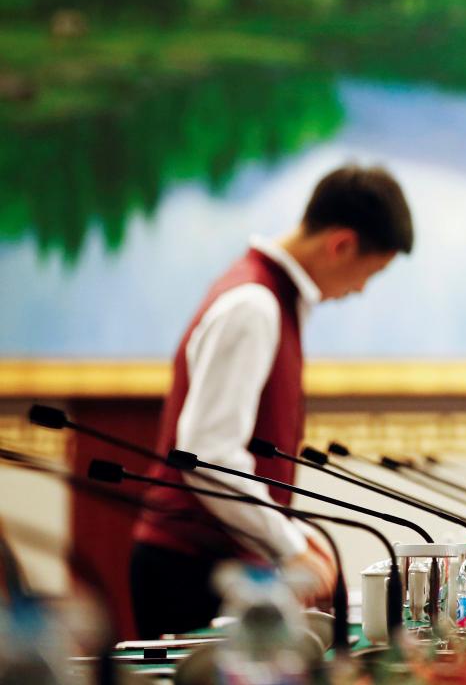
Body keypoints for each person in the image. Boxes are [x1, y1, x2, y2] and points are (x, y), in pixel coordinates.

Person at [129, 164, 413, 638]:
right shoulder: (253, 305)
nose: (362, 289)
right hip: (190, 569)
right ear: (341, 244)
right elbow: (207, 455)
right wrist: (289, 546)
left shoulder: (268, 298)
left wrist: (297, 537)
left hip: (208, 564)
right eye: (371, 272)